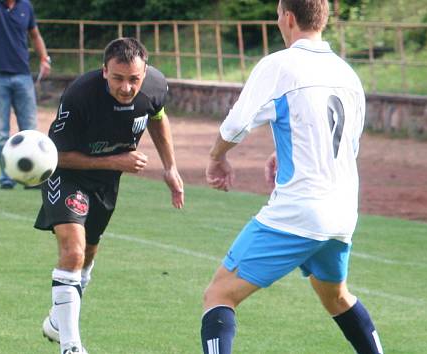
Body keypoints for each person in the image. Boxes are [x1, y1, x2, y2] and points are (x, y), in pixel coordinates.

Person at [200, 1, 384, 353]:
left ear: (287, 17)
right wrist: (281, 152)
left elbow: (237, 125)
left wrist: (216, 157)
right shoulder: (348, 73)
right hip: (343, 211)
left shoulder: (280, 65)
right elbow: (346, 144)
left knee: (219, 294)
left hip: (300, 210)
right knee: (337, 297)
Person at [35, 37, 184, 354]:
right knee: (73, 252)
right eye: (118, 78)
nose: (127, 87)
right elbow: (56, 156)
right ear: (104, 71)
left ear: (145, 73)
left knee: (87, 256)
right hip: (69, 174)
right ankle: (71, 346)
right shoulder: (80, 95)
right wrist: (116, 161)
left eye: (134, 79)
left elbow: (157, 116)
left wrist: (170, 167)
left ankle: (56, 321)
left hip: (106, 182)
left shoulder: (155, 85)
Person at [0, 0, 52, 189]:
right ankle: (7, 176)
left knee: (30, 131)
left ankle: (31, 176)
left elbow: (35, 35)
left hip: (23, 75)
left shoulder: (26, 6)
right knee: (1, 133)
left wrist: (44, 58)